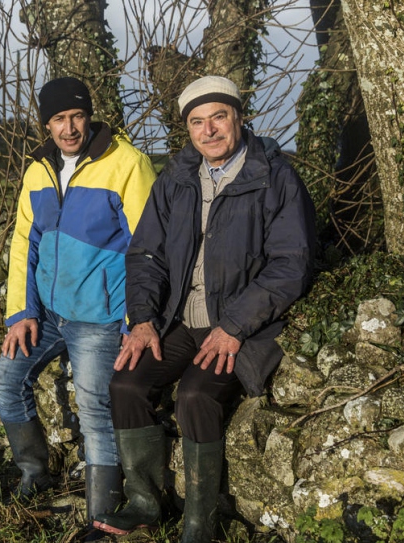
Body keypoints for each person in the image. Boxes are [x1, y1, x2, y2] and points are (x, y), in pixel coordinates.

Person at [92, 75, 316, 542]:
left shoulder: (274, 176)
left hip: (243, 326)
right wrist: (144, 319)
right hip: (177, 319)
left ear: (239, 117)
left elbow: (290, 264)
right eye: (197, 121)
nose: (209, 130)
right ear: (187, 129)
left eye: (218, 117)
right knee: (126, 383)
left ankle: (200, 525)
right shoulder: (175, 179)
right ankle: (144, 504)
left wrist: (234, 325)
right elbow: (146, 255)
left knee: (195, 395)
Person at [0, 77, 156, 532]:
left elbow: (149, 248)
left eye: (77, 116)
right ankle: (34, 475)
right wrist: (22, 313)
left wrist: (137, 319)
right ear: (46, 124)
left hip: (103, 317)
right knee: (6, 378)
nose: (69, 128)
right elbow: (25, 242)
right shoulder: (37, 170)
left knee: (95, 405)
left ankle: (100, 512)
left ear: (89, 116)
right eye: (59, 119)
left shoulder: (126, 163)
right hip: (48, 314)